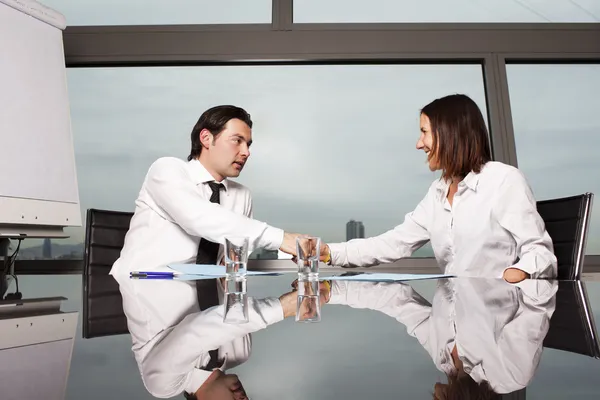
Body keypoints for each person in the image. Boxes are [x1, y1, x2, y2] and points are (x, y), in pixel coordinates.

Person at [109, 105, 304, 397]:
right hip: (144, 286)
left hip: (199, 288)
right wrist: (280, 243)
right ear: (205, 139)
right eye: (237, 141)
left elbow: (232, 265)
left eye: (246, 143)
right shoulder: (167, 171)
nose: (246, 152)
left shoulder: (241, 195)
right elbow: (199, 218)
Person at [318, 94, 557, 283]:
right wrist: (327, 252)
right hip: (451, 319)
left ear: (450, 134)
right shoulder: (438, 191)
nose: (418, 144)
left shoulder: (504, 180)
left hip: (494, 323)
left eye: (424, 132)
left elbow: (540, 253)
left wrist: (517, 273)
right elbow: (393, 243)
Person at [319, 276, 558, 397]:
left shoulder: (443, 358)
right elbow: (538, 303)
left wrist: (332, 291)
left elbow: (397, 300)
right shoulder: (511, 374)